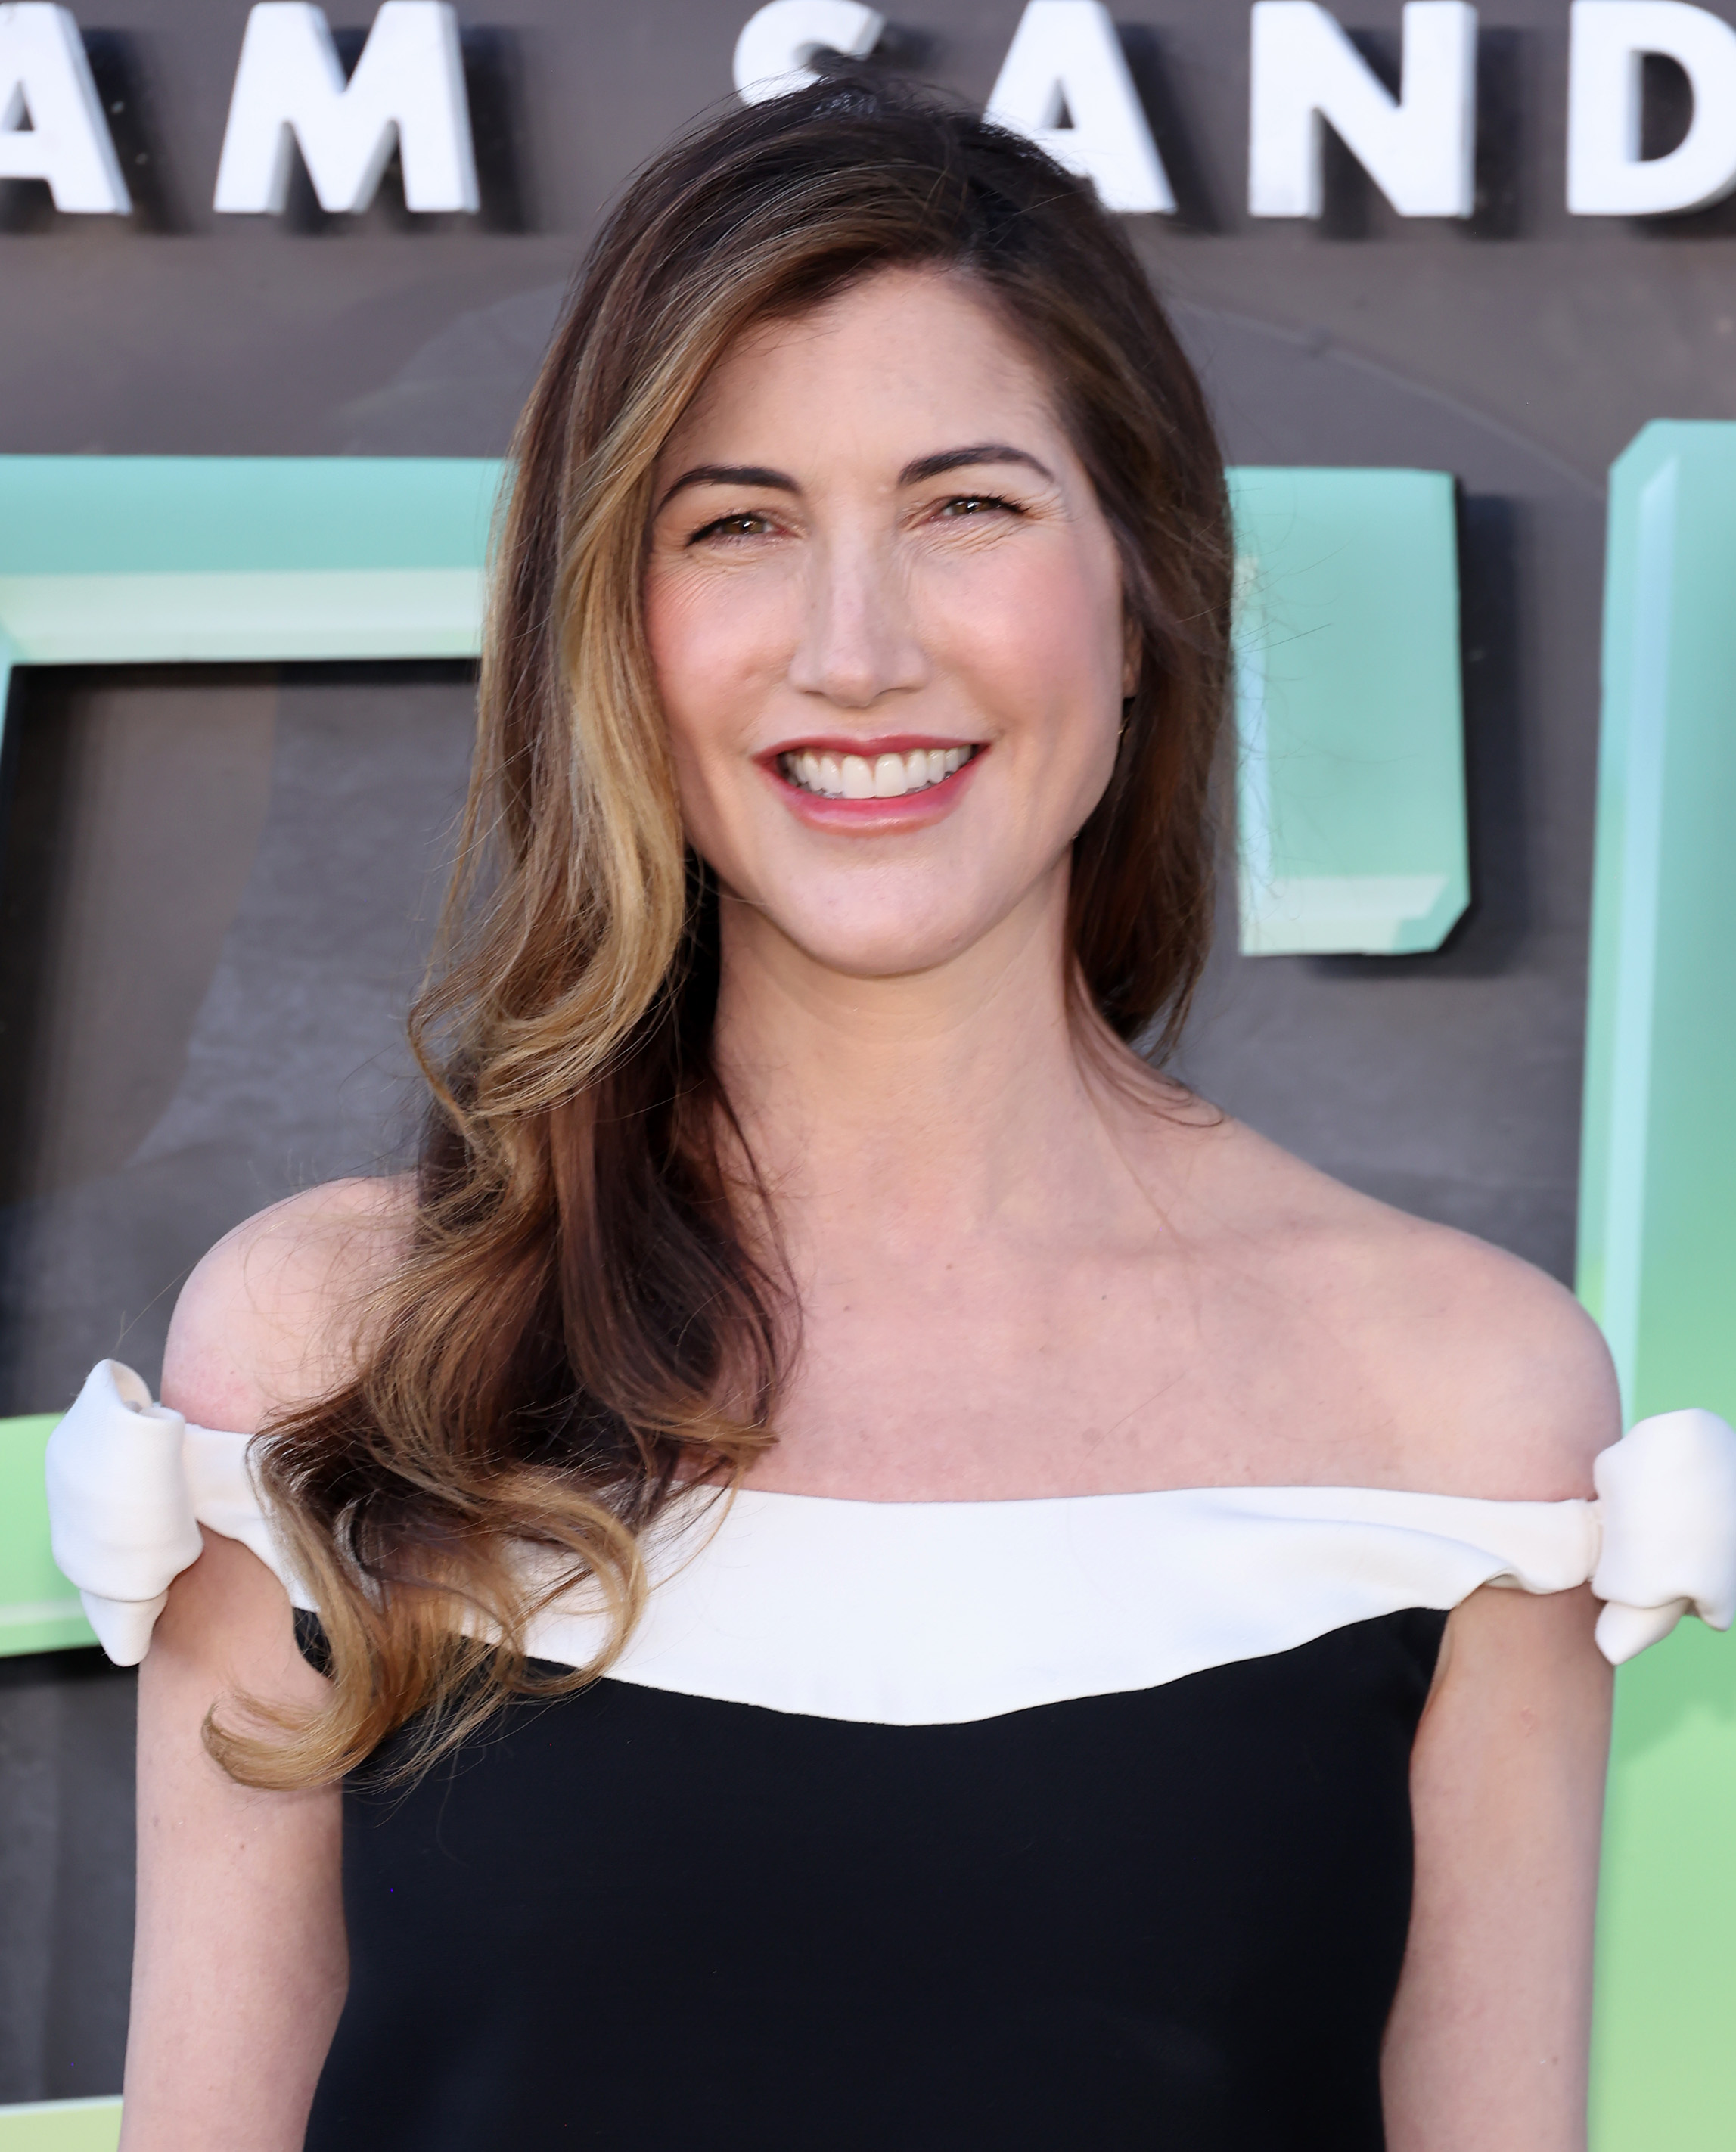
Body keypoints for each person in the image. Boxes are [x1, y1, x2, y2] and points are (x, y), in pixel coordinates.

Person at [43, 74, 1736, 2152]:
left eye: (969, 506)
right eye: (738, 522)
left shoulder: (1464, 1406)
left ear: (1141, 597)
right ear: (613, 631)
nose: (854, 651)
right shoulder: (332, 1350)